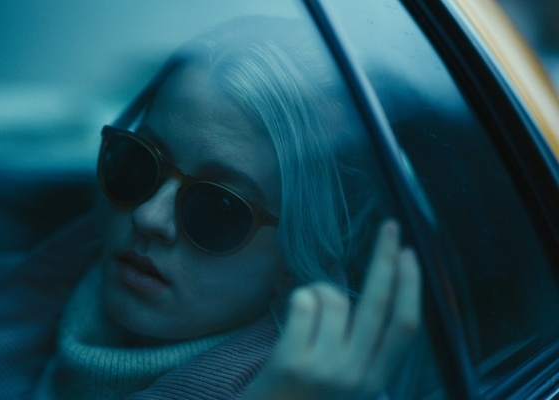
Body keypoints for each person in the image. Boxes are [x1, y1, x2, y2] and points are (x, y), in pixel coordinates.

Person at [32, 14, 422, 400]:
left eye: (219, 205)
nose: (148, 216)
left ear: (296, 257)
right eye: (139, 163)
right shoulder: (17, 292)